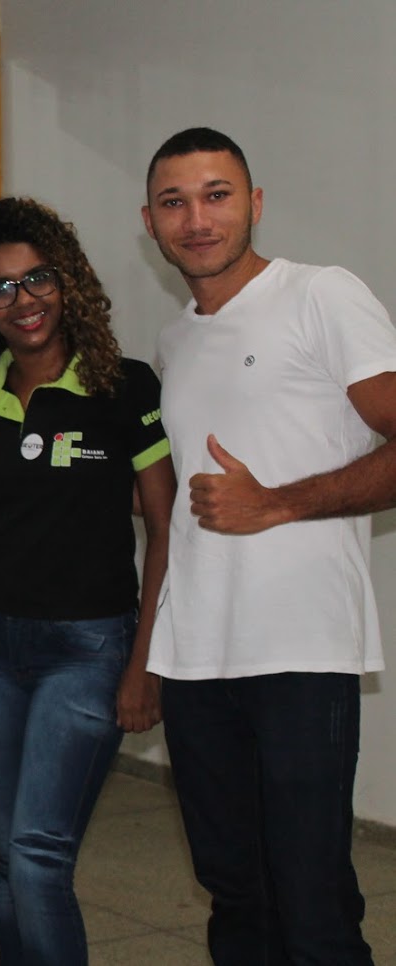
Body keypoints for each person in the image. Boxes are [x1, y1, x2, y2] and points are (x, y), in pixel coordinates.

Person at [143, 127, 396, 965]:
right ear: (149, 222)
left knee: (310, 903)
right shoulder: (174, 340)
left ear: (253, 203)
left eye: (215, 195)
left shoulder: (319, 295)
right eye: (174, 202)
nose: (196, 219)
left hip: (298, 651)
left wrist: (277, 503)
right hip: (195, 659)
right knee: (234, 894)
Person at [0, 197, 174, 966]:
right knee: (7, 854)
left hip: (86, 651)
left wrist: (144, 663)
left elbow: (165, 528)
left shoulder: (124, 388)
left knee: (38, 853)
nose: (22, 300)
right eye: (0, 288)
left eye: (36, 278)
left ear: (66, 281)